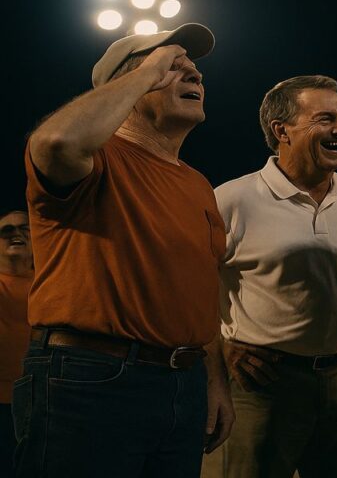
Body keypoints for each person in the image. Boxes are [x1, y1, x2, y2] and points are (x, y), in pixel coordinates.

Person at [16, 23, 233, 476]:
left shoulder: (198, 185)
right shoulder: (97, 159)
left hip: (183, 383)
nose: (194, 75)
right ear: (129, 84)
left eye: (194, 70)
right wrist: (149, 68)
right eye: (173, 67)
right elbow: (54, 142)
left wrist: (214, 382)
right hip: (91, 379)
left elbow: (199, 293)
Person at [211, 75, 337, 477]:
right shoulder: (232, 199)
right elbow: (189, 288)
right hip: (263, 383)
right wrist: (222, 351)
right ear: (280, 130)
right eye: (324, 119)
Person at [0, 210, 32, 473]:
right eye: (5, 230)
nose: (15, 233)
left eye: (24, 228)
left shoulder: (52, 283)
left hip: (42, 404)